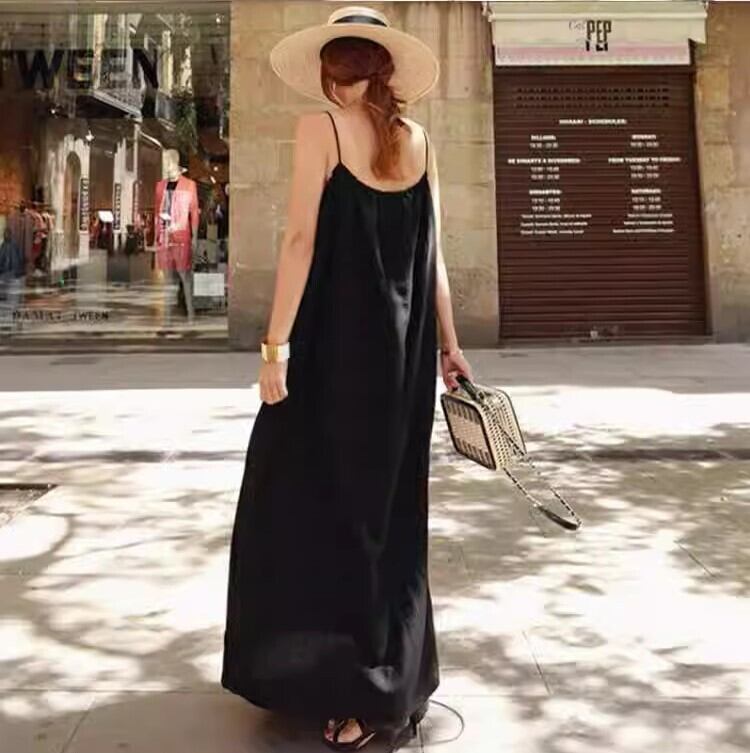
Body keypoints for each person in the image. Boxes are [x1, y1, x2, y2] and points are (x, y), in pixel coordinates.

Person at [220, 6, 473, 751]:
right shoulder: (420, 141)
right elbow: (435, 257)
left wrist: (275, 346)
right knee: (387, 515)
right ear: (387, 70)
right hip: (403, 365)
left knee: (298, 497)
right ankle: (388, 676)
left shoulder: (321, 130)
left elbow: (300, 240)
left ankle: (348, 687)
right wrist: (450, 347)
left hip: (334, 355)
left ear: (333, 73)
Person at [0, 227, 26, 332]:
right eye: (5, 233)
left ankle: (9, 321)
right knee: (9, 301)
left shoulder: (12, 245)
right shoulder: (5, 246)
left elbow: (18, 260)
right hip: (9, 276)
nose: (5, 235)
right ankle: (8, 321)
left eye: (7, 233)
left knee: (11, 301)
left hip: (12, 276)